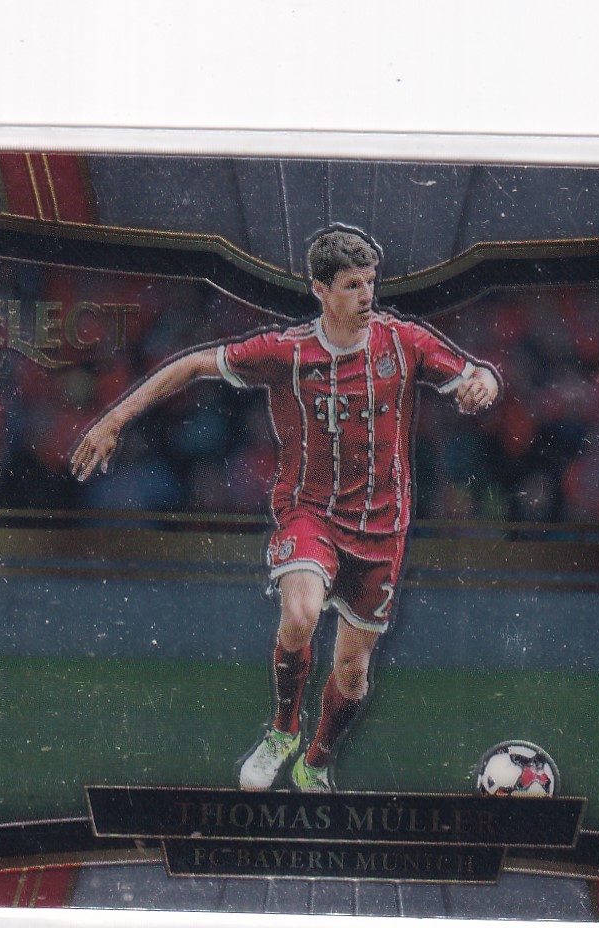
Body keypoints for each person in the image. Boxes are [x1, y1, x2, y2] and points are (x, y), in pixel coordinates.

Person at [70, 226, 500, 792]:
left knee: (352, 671)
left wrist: (484, 384)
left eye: (370, 282)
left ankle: (315, 761)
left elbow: (475, 373)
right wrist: (113, 420)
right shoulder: (288, 353)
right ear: (320, 289)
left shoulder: (404, 342)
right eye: (351, 285)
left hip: (382, 529)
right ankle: (282, 731)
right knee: (299, 615)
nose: (366, 295)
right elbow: (193, 365)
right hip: (309, 513)